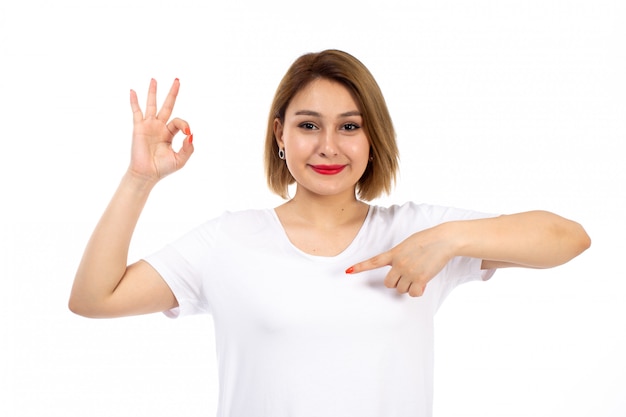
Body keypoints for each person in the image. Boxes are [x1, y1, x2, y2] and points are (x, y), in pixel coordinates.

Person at [69, 49, 590, 417]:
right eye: (308, 124)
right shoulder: (228, 241)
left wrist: (448, 240)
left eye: (349, 126)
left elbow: (568, 238)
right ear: (280, 134)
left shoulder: (417, 232)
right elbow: (94, 297)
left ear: (373, 136)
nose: (328, 147)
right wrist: (140, 180)